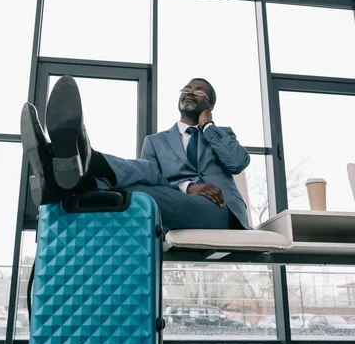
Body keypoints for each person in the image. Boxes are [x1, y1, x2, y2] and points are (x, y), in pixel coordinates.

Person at [20, 76, 251, 231]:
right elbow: (149, 177)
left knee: (142, 193)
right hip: (174, 200)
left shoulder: (220, 134)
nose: (190, 92)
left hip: (220, 209)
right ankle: (82, 165)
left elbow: (238, 162)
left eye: (199, 90)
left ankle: (68, 176)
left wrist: (208, 127)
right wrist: (188, 187)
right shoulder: (156, 141)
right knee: (145, 173)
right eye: (186, 89)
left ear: (209, 105)